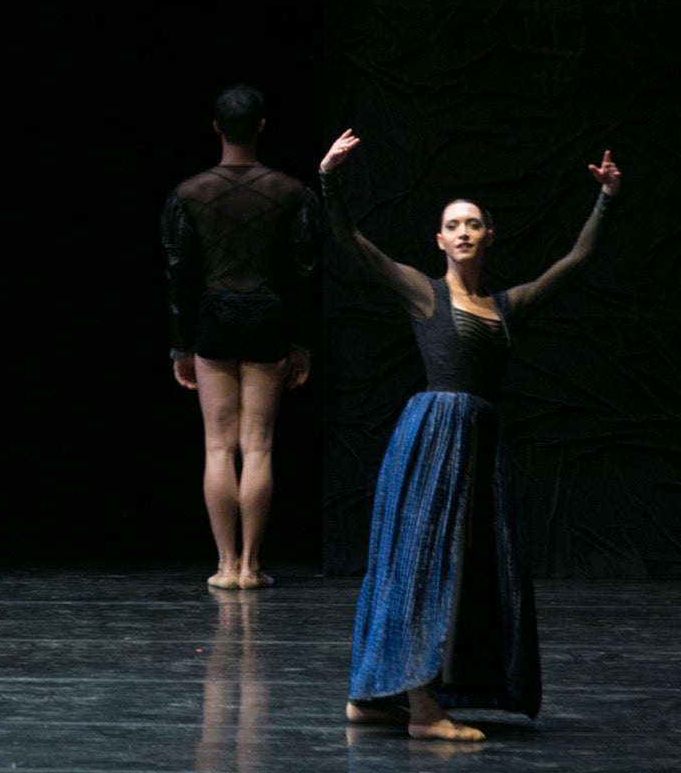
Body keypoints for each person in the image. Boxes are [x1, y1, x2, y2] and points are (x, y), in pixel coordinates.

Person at [320, 129, 621, 741]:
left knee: (467, 572)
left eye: (473, 224)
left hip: (479, 446)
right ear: (439, 240)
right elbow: (351, 243)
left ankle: (377, 698)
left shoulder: (507, 306)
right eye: (452, 225)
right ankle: (422, 710)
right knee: (422, 564)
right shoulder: (422, 292)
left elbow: (576, 263)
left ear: (489, 235)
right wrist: (329, 180)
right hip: (433, 442)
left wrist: (607, 199)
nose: (462, 232)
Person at [161, 84, 320, 590]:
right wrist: (301, 343)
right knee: (257, 446)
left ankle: (225, 564)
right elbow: (304, 274)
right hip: (267, 319)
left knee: (217, 447)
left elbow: (177, 273)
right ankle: (251, 566)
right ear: (262, 127)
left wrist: (180, 345)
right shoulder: (292, 192)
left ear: (216, 128)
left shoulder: (189, 194)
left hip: (213, 316)